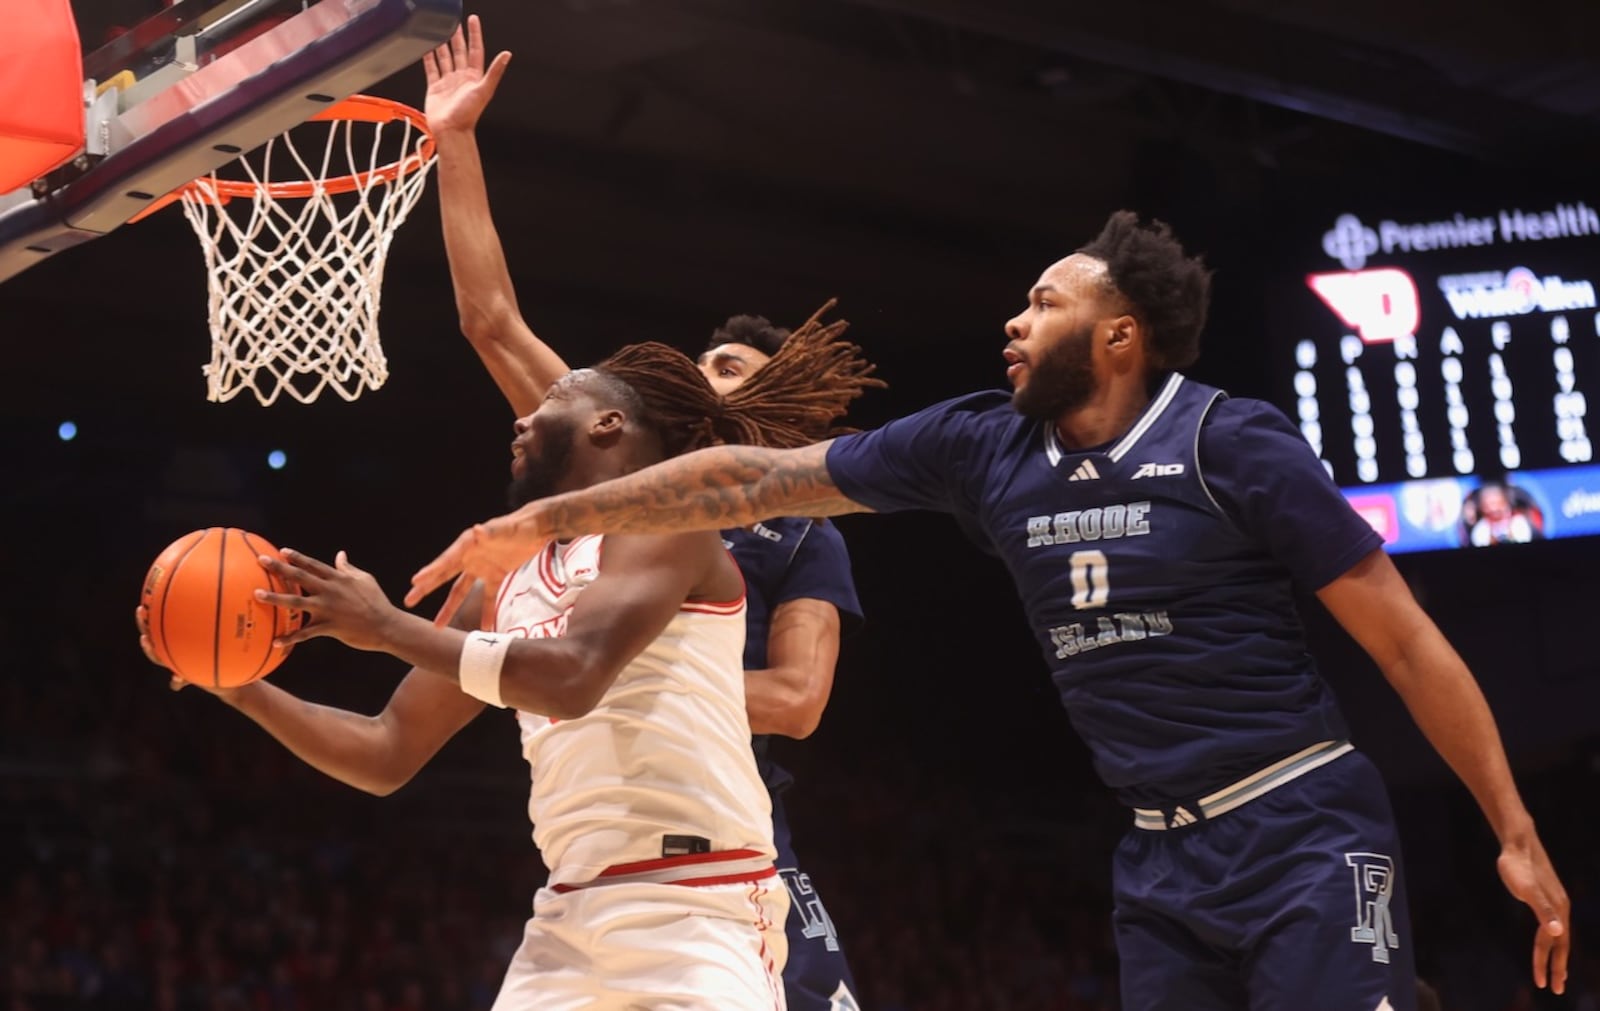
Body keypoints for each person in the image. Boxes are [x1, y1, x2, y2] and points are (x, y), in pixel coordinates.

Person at [411, 212, 1572, 1010]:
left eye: (1043, 302)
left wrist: (1509, 827)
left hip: (1301, 823)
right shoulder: (982, 443)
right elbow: (754, 478)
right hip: (1157, 852)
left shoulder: (1233, 443)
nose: (1014, 321)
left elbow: (1407, 642)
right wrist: (545, 519)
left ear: (1117, 335)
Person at [137, 333, 881, 1010]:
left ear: (609, 426)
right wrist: (236, 685)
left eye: (554, 402)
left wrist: (386, 627)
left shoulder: (669, 526)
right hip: (568, 915)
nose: (521, 421)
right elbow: (387, 747)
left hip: (700, 907)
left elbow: (574, 676)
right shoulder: (499, 584)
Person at [423, 18, 875, 1008]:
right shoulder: (618, 456)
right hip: (610, 805)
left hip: (732, 823)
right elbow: (490, 321)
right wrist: (454, 147)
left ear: (769, 416)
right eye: (702, 364)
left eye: (728, 370)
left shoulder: (803, 534)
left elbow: (798, 702)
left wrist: (651, 668)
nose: (703, 373)